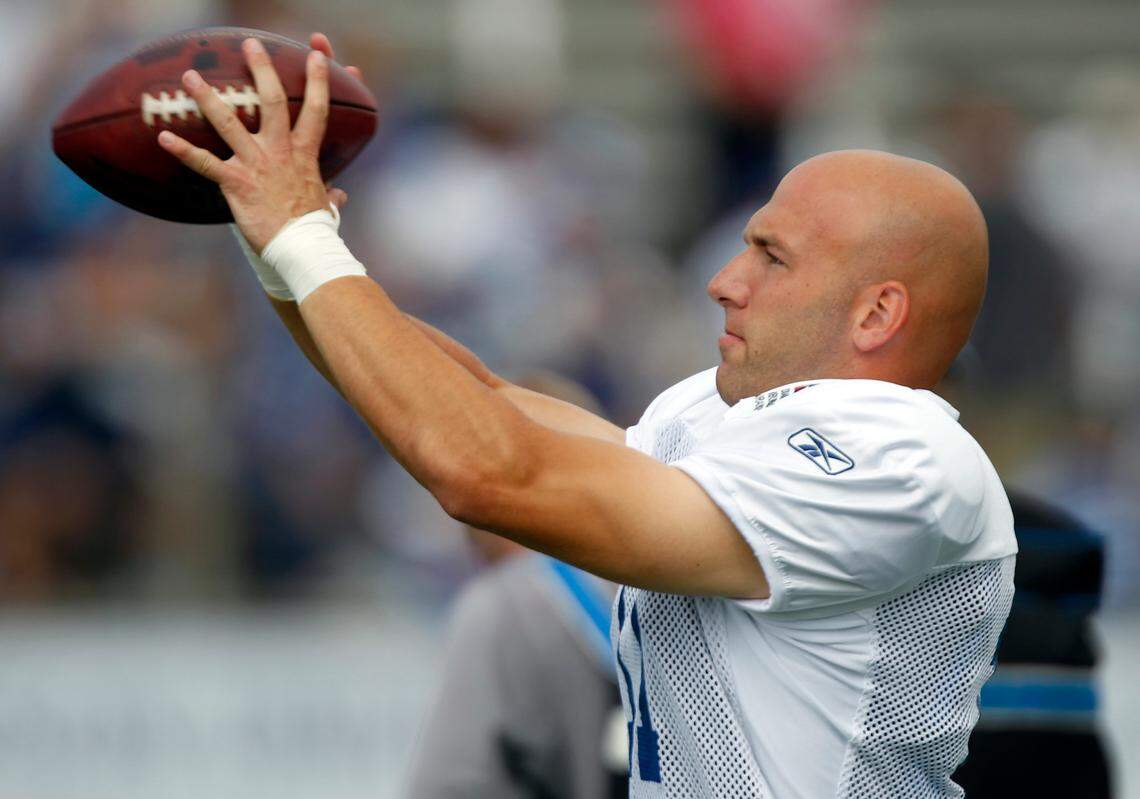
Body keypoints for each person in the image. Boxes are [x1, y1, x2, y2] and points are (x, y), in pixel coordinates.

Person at [157, 33, 1017, 797]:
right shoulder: (727, 410)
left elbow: (489, 471)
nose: (725, 279)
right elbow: (483, 403)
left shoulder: (903, 460)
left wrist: (306, 242)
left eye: (772, 256)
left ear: (876, 315)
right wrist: (283, 246)